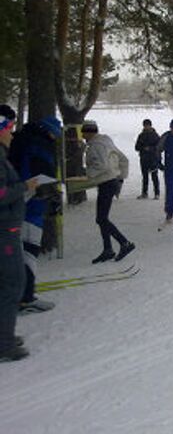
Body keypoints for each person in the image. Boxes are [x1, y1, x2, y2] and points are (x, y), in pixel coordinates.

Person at [8, 116, 62, 314]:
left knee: (20, 251)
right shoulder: (38, 145)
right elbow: (40, 179)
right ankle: (25, 298)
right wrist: (50, 195)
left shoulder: (19, 140)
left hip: (15, 204)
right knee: (29, 251)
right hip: (30, 205)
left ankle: (20, 294)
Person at [0, 105, 37, 362]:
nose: (11, 135)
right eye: (9, 129)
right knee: (13, 283)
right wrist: (24, 186)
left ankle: (5, 335)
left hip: (7, 227)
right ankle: (4, 343)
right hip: (4, 230)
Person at [78, 120, 135, 263]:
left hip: (107, 183)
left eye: (84, 132)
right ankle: (108, 249)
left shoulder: (97, 145)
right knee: (102, 218)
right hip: (110, 182)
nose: (83, 135)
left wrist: (88, 173)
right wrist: (120, 178)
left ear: (90, 132)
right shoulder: (106, 142)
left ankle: (124, 243)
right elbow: (124, 160)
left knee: (101, 219)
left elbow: (102, 166)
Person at [134, 119, 160, 199]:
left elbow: (159, 147)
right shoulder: (141, 135)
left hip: (153, 158)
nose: (146, 127)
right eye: (145, 125)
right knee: (145, 177)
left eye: (148, 125)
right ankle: (144, 193)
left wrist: (151, 149)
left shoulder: (155, 135)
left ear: (150, 125)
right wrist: (143, 148)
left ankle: (157, 193)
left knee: (154, 176)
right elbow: (137, 147)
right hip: (144, 158)